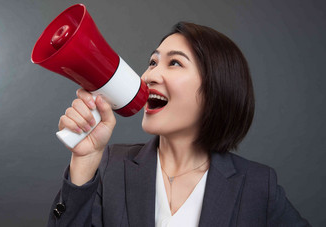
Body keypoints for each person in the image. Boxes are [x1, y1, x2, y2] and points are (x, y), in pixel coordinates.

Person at [48, 22, 310, 227]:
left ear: (216, 88)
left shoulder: (257, 185)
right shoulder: (109, 167)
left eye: (174, 63)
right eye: (152, 62)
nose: (149, 75)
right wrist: (84, 161)